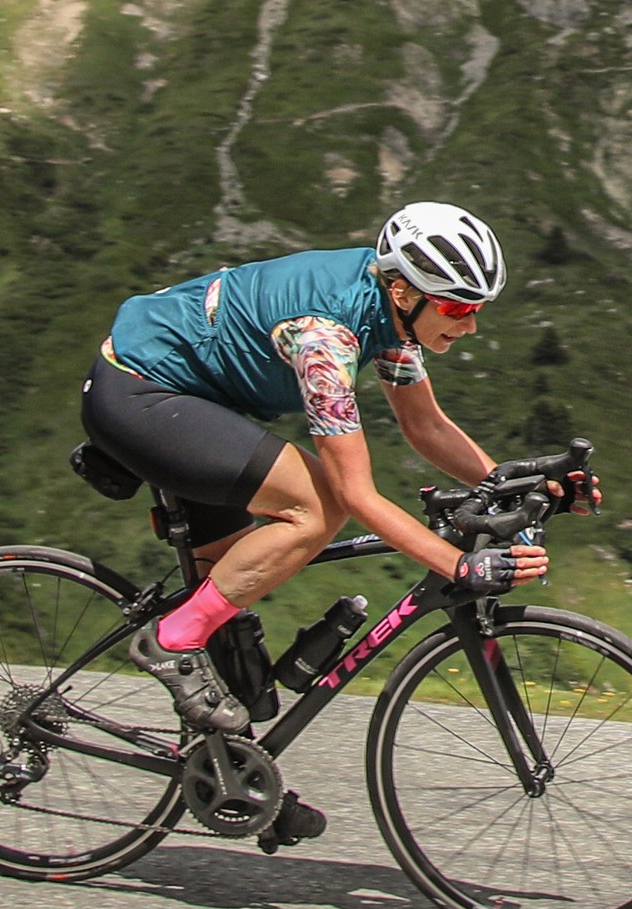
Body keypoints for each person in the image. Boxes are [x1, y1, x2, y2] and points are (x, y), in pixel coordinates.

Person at [79, 203, 580, 752]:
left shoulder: (389, 316)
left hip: (197, 400)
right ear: (403, 290)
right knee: (318, 506)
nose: (470, 324)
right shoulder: (325, 339)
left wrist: (514, 486)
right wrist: (459, 565)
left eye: (477, 307)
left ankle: (230, 778)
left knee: (230, 615)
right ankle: (170, 641)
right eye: (456, 307)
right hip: (139, 395)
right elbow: (355, 494)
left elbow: (425, 425)